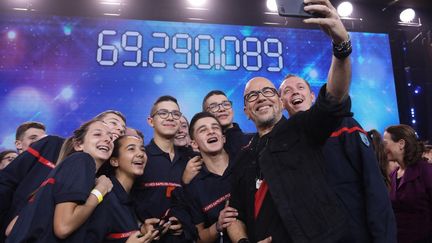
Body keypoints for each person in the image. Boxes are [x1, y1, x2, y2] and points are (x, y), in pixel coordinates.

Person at [227, 0, 355, 241]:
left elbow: (334, 97)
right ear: (246, 111)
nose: (261, 98)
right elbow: (234, 215)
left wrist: (341, 46)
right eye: (252, 95)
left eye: (267, 92)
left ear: (279, 101)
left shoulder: (303, 128)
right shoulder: (242, 157)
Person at [279, 74, 396, 242]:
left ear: (312, 96)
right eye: (287, 91)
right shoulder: (282, 144)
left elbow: (373, 184)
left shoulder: (345, 125)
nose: (295, 93)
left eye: (300, 87)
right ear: (282, 102)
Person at [0, 110, 126, 241]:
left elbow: (11, 228)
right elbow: (63, 227)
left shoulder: (66, 170)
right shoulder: (82, 160)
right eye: (98, 133)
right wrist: (99, 192)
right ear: (78, 144)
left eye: (113, 135)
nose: (115, 132)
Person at [132, 95, 196, 243]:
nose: (170, 118)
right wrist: (140, 225)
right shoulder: (139, 158)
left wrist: (185, 224)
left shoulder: (191, 159)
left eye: (175, 114)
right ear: (150, 121)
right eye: (163, 113)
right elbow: (122, 201)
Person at [85, 135, 159, 243]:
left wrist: (141, 230)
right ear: (114, 161)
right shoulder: (106, 198)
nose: (141, 154)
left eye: (142, 149)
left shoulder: (130, 197)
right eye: (131, 149)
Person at [184, 112, 238, 243]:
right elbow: (199, 238)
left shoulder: (244, 162)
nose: (211, 132)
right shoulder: (194, 186)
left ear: (223, 138)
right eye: (203, 130)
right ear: (194, 144)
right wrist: (218, 226)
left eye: (215, 127)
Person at [383, 124, 432, 243]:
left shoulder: (425, 170)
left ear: (401, 144)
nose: (382, 147)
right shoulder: (393, 175)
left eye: (385, 143)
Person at [202, 90, 252, 157]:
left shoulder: (254, 140)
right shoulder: (203, 153)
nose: (222, 109)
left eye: (226, 104)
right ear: (205, 115)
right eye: (214, 107)